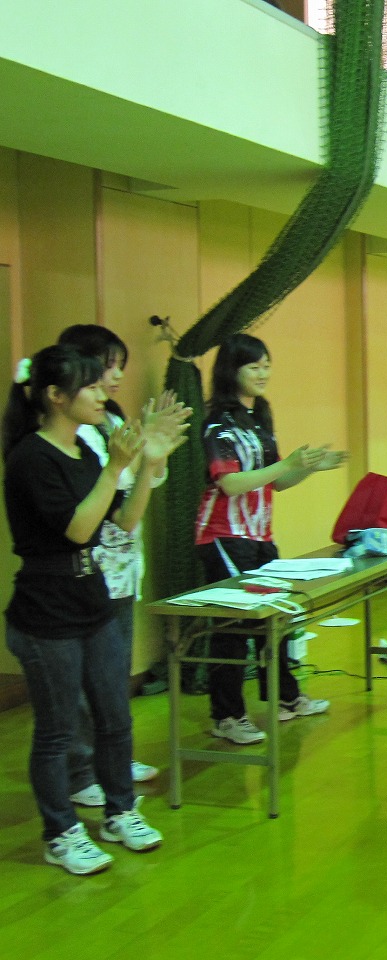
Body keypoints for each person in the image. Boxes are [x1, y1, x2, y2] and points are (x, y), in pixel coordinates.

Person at [3, 345, 186, 874]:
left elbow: (121, 525)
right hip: (45, 612)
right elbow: (78, 530)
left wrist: (149, 464)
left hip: (93, 600)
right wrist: (118, 465)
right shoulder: (31, 458)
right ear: (55, 396)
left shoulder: (85, 454)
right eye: (89, 385)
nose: (103, 392)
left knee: (115, 717)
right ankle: (60, 833)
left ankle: (120, 812)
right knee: (57, 730)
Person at [195, 333, 347, 745]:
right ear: (232, 371)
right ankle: (227, 715)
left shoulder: (258, 417)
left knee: (276, 617)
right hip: (224, 536)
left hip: (260, 535)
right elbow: (230, 484)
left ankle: (284, 697)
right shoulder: (217, 424)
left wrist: (309, 467)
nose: (263, 373)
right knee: (233, 627)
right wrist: (287, 464)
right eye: (254, 366)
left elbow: (276, 482)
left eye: (266, 365)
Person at [58, 324, 185, 806]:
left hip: (124, 564)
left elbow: (143, 481)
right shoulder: (71, 432)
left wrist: (155, 453)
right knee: (82, 679)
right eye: (106, 366)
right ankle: (80, 770)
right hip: (90, 567)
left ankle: (113, 756)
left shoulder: (112, 419)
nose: (115, 377)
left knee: (113, 674)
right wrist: (138, 458)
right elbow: (108, 488)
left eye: (119, 367)